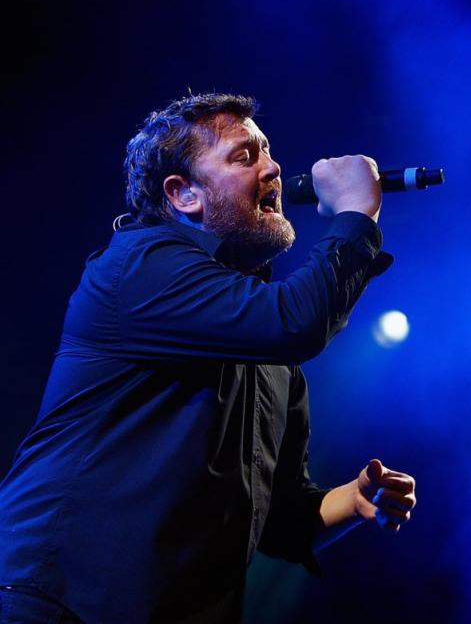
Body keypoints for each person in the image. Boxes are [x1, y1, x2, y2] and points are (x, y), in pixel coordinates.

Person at [0, 93, 417, 623]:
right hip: (62, 603)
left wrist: (354, 502)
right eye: (245, 157)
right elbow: (297, 322)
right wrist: (357, 214)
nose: (273, 167)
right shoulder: (140, 264)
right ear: (184, 194)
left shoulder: (265, 347)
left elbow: (282, 519)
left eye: (268, 151)